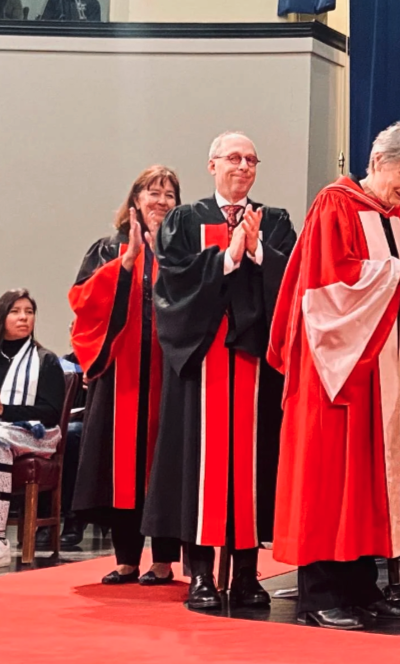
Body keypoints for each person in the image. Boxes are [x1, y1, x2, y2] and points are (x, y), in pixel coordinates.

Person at [268, 122, 400, 630]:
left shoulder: (398, 219)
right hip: (336, 371)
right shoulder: (336, 204)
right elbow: (329, 283)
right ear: (377, 162)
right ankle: (320, 594)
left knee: (366, 483)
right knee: (329, 480)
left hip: (378, 370)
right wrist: (399, 274)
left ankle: (359, 587)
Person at [142, 132, 296, 612]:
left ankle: (249, 575)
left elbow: (292, 279)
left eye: (251, 159)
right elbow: (172, 281)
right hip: (202, 363)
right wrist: (228, 257)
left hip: (252, 365)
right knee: (199, 468)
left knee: (252, 467)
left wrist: (256, 253)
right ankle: (202, 575)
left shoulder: (273, 222)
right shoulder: (186, 221)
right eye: (234, 158)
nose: (244, 166)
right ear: (212, 165)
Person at [69, 166, 182, 584]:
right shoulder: (108, 248)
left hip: (169, 376)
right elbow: (82, 301)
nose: (161, 201)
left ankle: (164, 561)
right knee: (122, 469)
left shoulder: (181, 249)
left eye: (169, 194)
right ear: (135, 199)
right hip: (122, 380)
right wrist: (129, 261)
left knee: (164, 466)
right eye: (153, 193)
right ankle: (127, 559)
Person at [0, 289, 66, 567]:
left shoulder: (45, 360)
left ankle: (0, 538)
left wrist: (5, 411)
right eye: (15, 311)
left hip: (37, 434)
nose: (23, 317)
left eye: (29, 312)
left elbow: (51, 413)